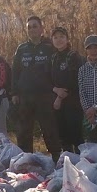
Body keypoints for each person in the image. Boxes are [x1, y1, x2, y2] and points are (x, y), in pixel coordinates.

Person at [11, 15, 62, 160]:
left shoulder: (50, 47)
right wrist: (14, 92)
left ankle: (56, 159)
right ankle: (26, 160)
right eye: (29, 27)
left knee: (49, 129)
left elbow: (57, 70)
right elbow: (15, 71)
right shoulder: (21, 49)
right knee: (24, 131)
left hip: (45, 97)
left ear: (41, 28)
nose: (32, 29)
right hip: (25, 97)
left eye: (35, 26)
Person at [50, 27, 84, 153]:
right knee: (62, 134)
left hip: (73, 100)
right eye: (55, 37)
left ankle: (80, 163)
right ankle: (67, 162)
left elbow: (75, 79)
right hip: (57, 102)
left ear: (67, 39)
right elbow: (48, 78)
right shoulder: (53, 58)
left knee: (75, 133)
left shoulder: (73, 56)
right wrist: (55, 90)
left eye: (62, 37)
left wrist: (60, 96)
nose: (59, 40)